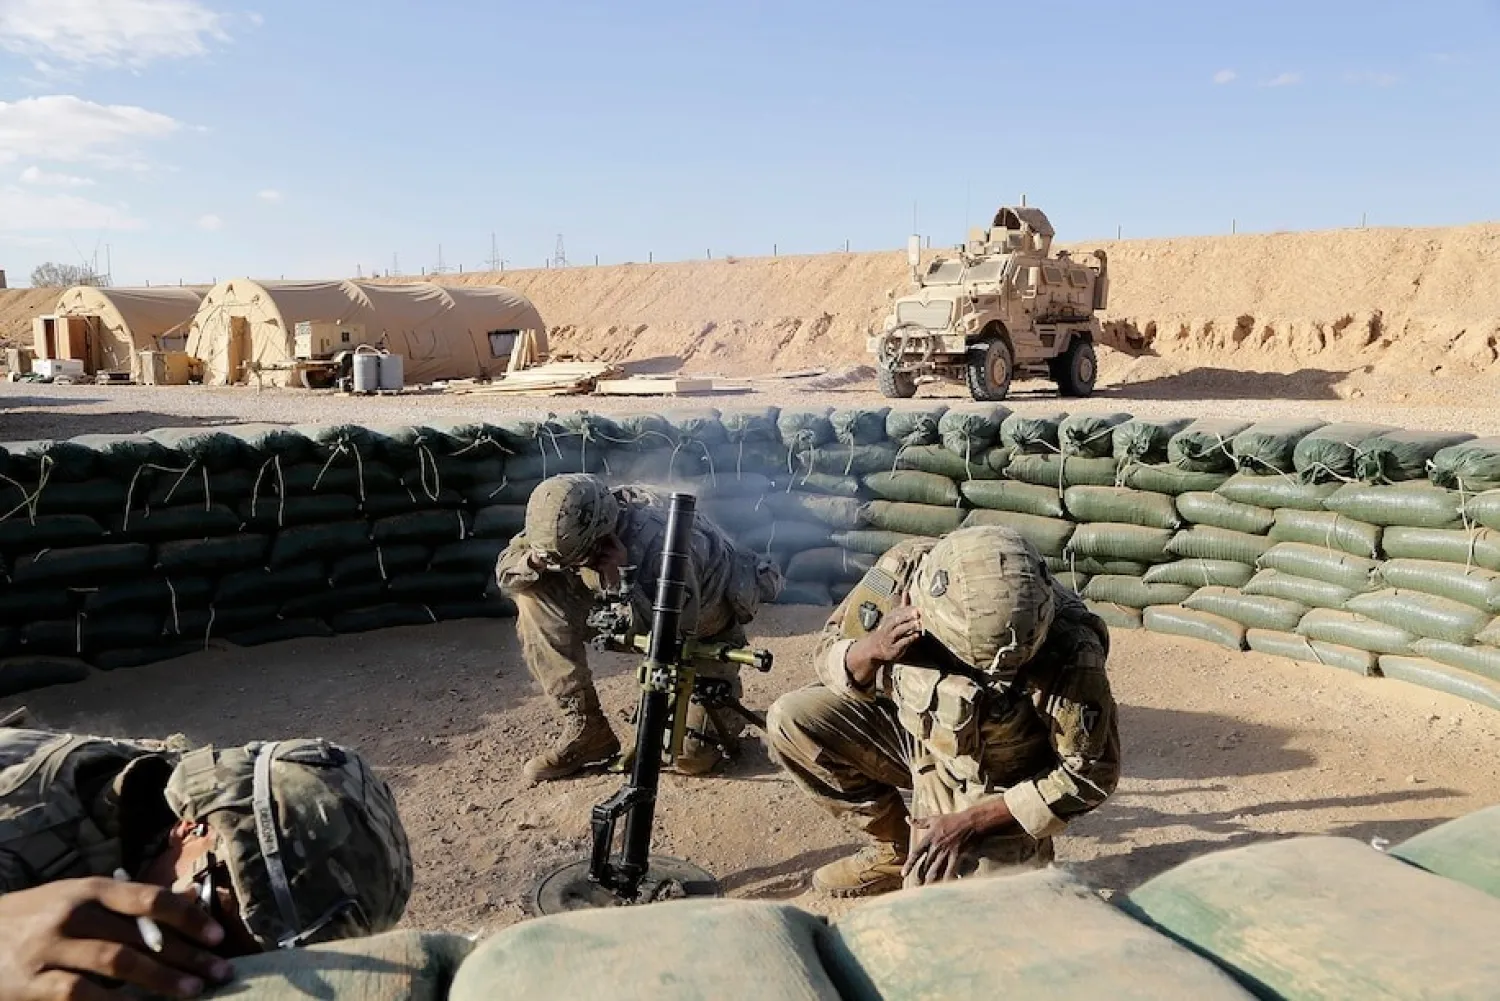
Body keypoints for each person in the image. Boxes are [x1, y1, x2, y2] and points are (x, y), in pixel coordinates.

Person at [766, 524, 1121, 897]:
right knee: (793, 719)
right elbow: (828, 652)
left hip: (994, 777)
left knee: (943, 906)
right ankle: (893, 850)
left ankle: (1001, 859)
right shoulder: (903, 570)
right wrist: (872, 648)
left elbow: (1091, 774)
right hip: (912, 734)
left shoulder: (1073, 648)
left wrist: (971, 822)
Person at [0, 727, 414, 1000]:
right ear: (188, 829)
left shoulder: (163, 827)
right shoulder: (20, 831)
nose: (204, 963)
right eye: (201, 910)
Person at [495, 473, 783, 783]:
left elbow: (672, 638)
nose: (570, 566)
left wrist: (624, 582)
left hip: (700, 630)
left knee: (690, 758)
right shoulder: (562, 523)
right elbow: (505, 573)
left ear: (602, 537)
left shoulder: (667, 544)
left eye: (579, 558)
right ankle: (586, 728)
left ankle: (722, 714)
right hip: (627, 611)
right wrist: (536, 562)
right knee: (532, 595)